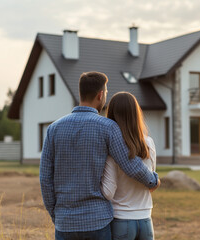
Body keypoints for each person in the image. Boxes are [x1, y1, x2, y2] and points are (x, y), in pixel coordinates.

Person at [40, 72, 159, 240]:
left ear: (81, 93)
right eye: (106, 92)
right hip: (97, 221)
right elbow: (130, 164)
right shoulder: (108, 127)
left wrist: (56, 213)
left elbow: (45, 178)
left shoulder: (53, 129)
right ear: (100, 95)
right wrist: (153, 180)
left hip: (64, 221)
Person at [101, 92, 158, 240]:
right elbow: (150, 183)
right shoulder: (149, 143)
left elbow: (108, 192)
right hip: (146, 219)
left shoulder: (112, 149)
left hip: (121, 220)